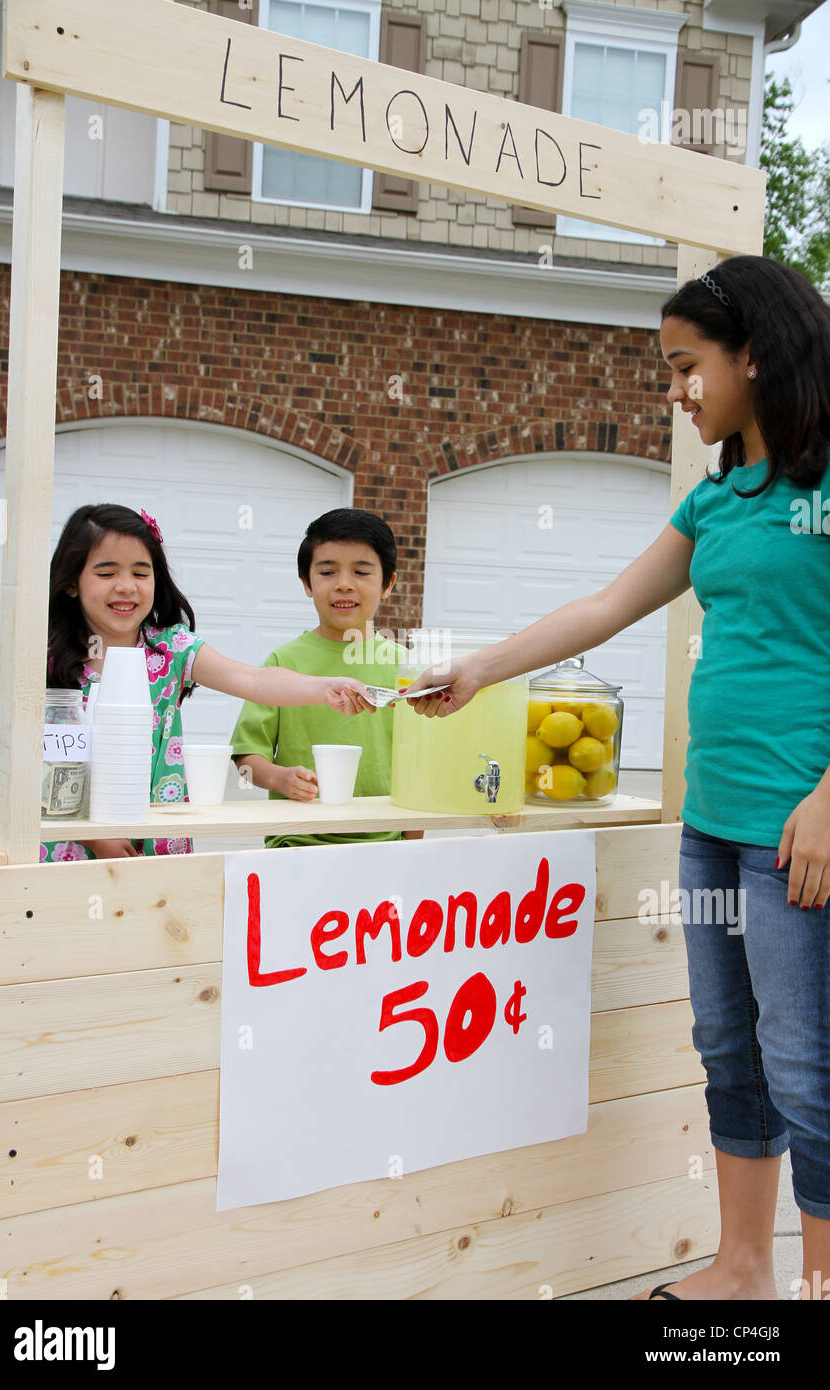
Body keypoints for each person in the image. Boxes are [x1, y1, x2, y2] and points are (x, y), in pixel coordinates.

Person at [407, 255, 830, 1302]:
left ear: (753, 353)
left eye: (686, 366)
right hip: (713, 825)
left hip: (800, 831)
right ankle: (742, 1270)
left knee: (809, 1075)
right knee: (728, 1049)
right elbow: (601, 608)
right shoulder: (717, 498)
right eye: (666, 371)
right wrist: (476, 671)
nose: (675, 390)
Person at [43, 503, 371, 862]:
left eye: (141, 573)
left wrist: (326, 688)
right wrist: (93, 833)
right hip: (70, 842)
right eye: (106, 574)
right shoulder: (48, 661)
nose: (126, 587)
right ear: (72, 582)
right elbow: (35, 767)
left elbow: (253, 680)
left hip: (158, 842)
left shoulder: (172, 648)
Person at [232, 507, 420, 849]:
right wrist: (280, 778)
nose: (344, 584)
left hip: (384, 842)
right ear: (307, 583)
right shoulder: (282, 663)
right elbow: (247, 757)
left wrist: (412, 842)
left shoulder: (405, 667)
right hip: (296, 841)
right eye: (328, 571)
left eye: (361, 572)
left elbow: (420, 760)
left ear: (387, 584)